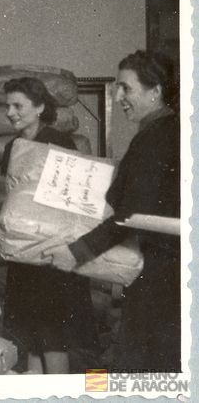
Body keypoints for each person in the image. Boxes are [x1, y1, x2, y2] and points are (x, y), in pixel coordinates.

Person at [45, 51, 180, 372]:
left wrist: (76, 252)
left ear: (156, 91)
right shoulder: (170, 131)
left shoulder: (154, 140)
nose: (118, 97)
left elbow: (131, 216)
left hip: (161, 275)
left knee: (141, 368)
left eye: (126, 89)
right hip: (167, 271)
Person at [0, 77, 98, 374]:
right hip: (24, 256)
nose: (10, 112)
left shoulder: (59, 142)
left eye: (18, 106)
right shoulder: (11, 147)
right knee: (31, 338)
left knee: (52, 338)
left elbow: (71, 201)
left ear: (40, 107)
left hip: (52, 255)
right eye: (8, 106)